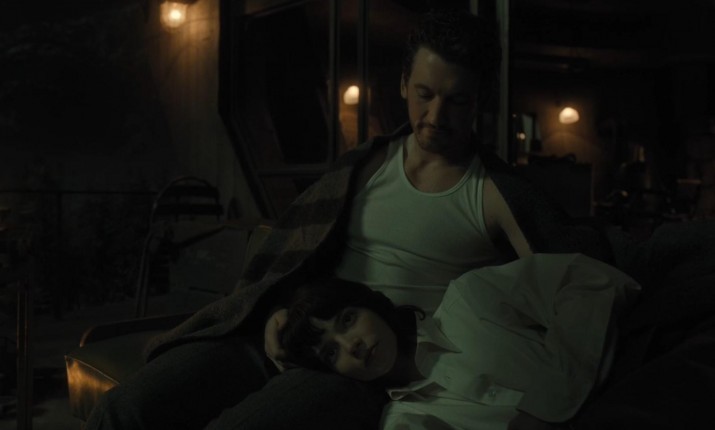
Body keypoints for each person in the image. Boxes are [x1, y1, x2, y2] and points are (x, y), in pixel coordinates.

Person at [86, 9, 613, 430]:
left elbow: (577, 276)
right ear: (403, 84)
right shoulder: (367, 164)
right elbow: (298, 251)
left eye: (456, 102)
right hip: (294, 326)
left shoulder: (494, 192)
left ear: (479, 103)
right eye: (425, 95)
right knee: (125, 410)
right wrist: (276, 311)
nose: (436, 116)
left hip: (361, 368)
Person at [278, 254, 641, 430]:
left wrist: (556, 394)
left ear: (370, 306)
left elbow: (587, 281)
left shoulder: (470, 299)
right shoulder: (405, 421)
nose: (352, 345)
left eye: (347, 320)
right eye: (331, 352)